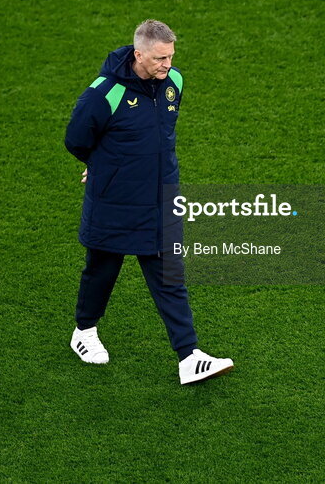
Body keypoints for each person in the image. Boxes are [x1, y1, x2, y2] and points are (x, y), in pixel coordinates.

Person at [64, 19, 234, 385]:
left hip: (160, 199)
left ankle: (189, 355)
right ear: (138, 54)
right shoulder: (103, 92)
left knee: (170, 276)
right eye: (159, 59)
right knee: (102, 270)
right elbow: (76, 138)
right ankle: (84, 331)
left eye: (171, 56)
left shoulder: (174, 82)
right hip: (116, 200)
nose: (167, 65)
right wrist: (98, 166)